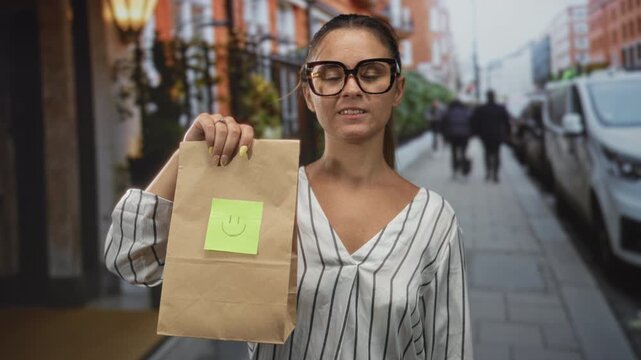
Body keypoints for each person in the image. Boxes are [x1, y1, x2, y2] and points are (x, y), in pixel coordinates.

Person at [104, 14, 472, 360]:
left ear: (397, 89)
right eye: (331, 75)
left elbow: (450, 348)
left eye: (371, 73)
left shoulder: (433, 220)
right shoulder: (263, 197)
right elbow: (132, 259)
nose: (351, 88)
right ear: (309, 93)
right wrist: (188, 156)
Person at [471, 90, 510, 183]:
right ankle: (495, 175)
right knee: (496, 154)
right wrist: (508, 134)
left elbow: (474, 122)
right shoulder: (500, 108)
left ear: (487, 97)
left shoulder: (481, 109)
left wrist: (476, 133)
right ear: (494, 96)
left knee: (487, 153)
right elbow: (507, 122)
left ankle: (488, 173)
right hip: (497, 135)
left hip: (485, 135)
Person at [441, 99, 472, 179]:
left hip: (453, 135)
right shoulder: (466, 112)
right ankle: (464, 172)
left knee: (454, 153)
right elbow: (471, 123)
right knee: (463, 152)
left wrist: (445, 137)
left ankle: (455, 171)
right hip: (464, 136)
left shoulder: (448, 112)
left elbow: (443, 124)